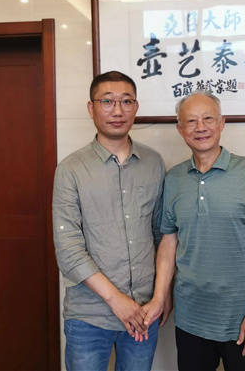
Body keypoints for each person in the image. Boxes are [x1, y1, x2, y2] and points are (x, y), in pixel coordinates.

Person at [143, 91, 245, 371]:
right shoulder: (174, 178)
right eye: (191, 121)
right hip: (191, 318)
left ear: (221, 123)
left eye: (208, 119)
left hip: (242, 318)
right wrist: (159, 297)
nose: (200, 127)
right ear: (180, 129)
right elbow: (168, 242)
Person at [52, 71, 168, 371]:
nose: (117, 111)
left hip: (144, 311)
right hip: (89, 316)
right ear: (91, 108)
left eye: (126, 101)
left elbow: (161, 235)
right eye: (107, 101)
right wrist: (117, 300)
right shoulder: (70, 169)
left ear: (136, 107)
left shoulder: (154, 163)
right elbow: (68, 250)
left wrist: (161, 295)